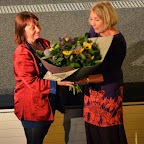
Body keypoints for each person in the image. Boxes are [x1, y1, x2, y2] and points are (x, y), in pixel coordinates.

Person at [13, 11, 73, 144]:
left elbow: (54, 64)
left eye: (38, 25)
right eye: (33, 27)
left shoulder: (43, 43)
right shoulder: (22, 53)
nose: (38, 29)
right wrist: (57, 84)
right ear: (22, 31)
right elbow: (31, 82)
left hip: (47, 104)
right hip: (32, 109)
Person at [76, 1, 128, 144]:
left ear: (107, 19)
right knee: (93, 131)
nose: (93, 23)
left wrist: (85, 80)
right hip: (92, 91)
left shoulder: (118, 42)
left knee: (107, 135)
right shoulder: (94, 31)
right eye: (91, 18)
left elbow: (110, 75)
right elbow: (87, 55)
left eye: (97, 19)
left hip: (108, 93)